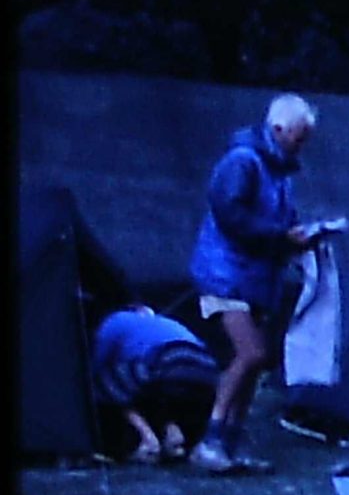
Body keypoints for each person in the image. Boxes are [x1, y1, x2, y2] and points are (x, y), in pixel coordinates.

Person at [189, 92, 328, 473]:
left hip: (254, 277)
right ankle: (210, 439)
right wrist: (282, 237)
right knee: (251, 353)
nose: (302, 144)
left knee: (257, 360)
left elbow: (279, 221)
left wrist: (302, 236)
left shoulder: (279, 172)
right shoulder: (242, 162)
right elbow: (231, 215)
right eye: (299, 135)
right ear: (279, 128)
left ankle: (231, 441)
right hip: (223, 274)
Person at [91, 306, 219, 464]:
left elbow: (97, 364)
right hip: (207, 368)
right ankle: (174, 436)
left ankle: (148, 440)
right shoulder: (166, 322)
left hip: (170, 359)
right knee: (159, 392)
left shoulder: (117, 319)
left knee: (107, 385)